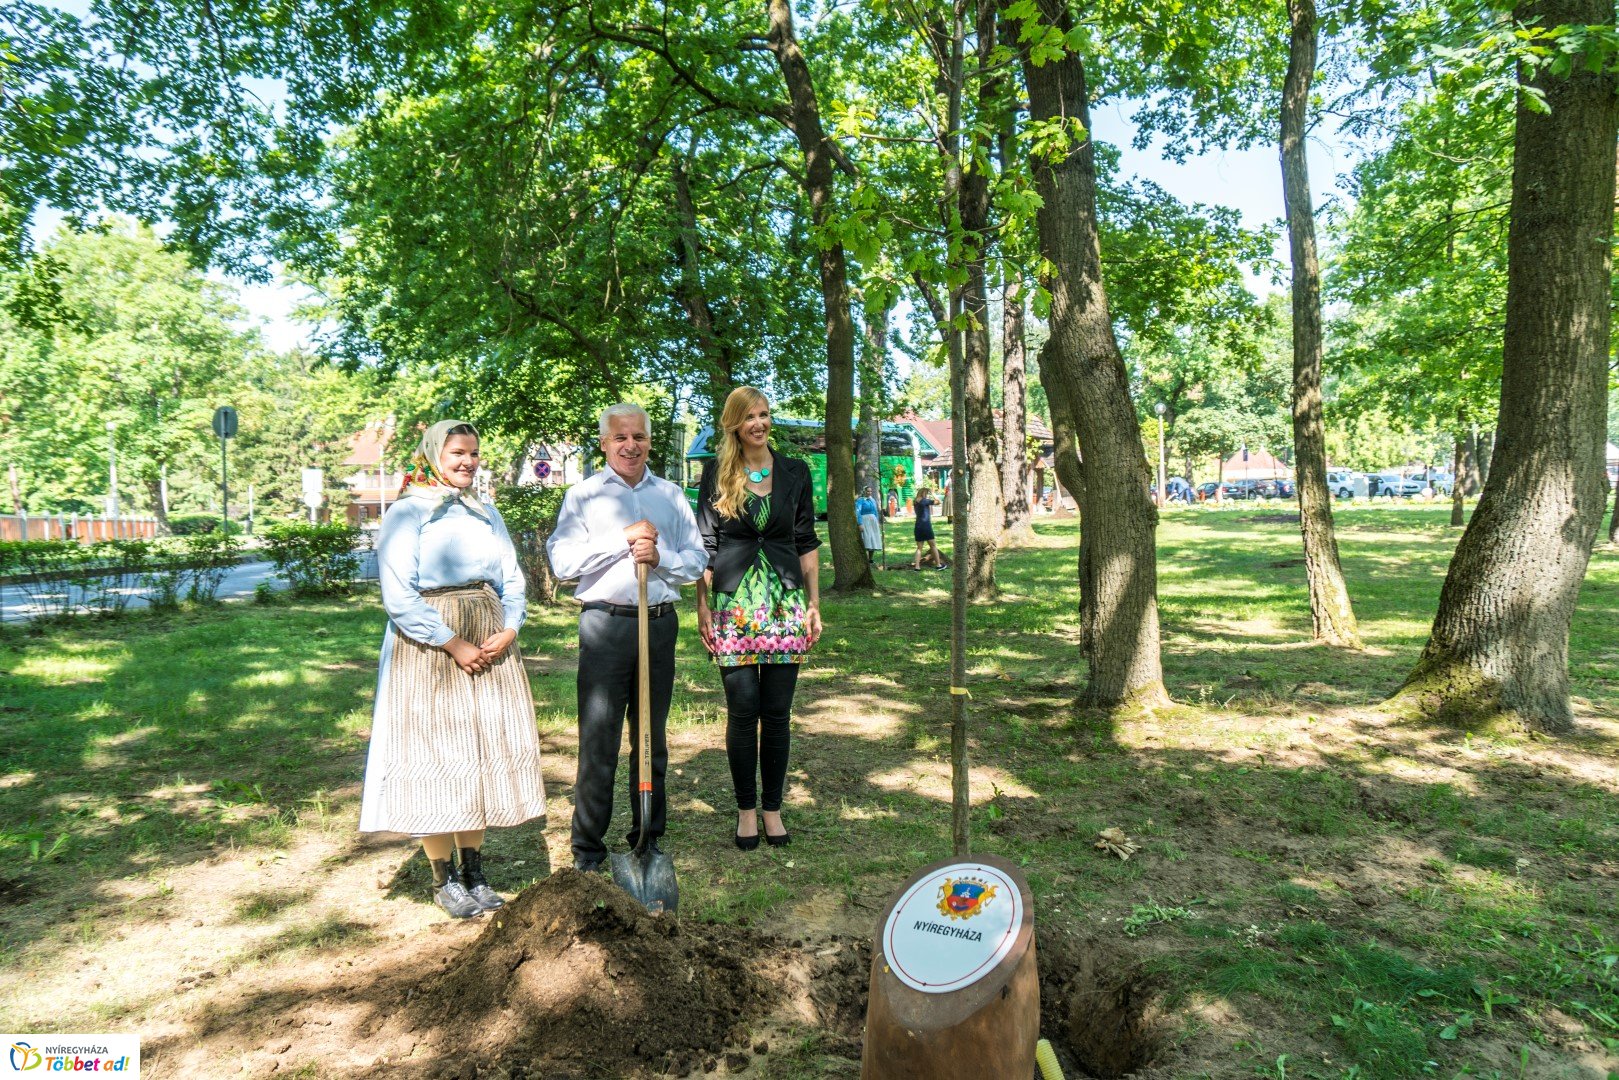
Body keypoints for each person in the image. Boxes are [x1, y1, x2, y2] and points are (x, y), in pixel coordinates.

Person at [359, 420, 546, 920]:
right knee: (437, 753)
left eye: (473, 453)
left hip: (489, 636)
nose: (467, 461)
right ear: (433, 454)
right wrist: (452, 643)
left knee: (480, 749)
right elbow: (398, 595)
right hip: (431, 647)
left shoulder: (485, 512)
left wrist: (510, 627)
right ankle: (442, 878)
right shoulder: (407, 512)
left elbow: (512, 576)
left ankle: (474, 870)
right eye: (456, 452)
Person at [546, 404, 708, 873]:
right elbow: (563, 564)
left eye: (638, 436)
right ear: (603, 442)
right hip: (606, 624)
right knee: (600, 738)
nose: (630, 446)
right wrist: (623, 540)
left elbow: (696, 560)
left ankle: (647, 837)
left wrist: (659, 558)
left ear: (650, 440)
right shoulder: (584, 495)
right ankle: (589, 851)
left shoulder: (672, 495)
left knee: (651, 736)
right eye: (620, 438)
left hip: (657, 623)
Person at [694, 387, 822, 850]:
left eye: (764, 414)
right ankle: (746, 810)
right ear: (733, 424)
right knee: (743, 713)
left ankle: (773, 808)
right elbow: (705, 547)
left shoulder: (795, 471)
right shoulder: (716, 472)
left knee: (779, 714)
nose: (759, 423)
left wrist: (813, 604)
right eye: (749, 417)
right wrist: (702, 605)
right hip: (733, 608)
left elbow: (806, 540)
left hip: (785, 605)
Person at [912, 487, 947, 570]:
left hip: (918, 526)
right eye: (926, 493)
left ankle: (917, 567)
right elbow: (939, 502)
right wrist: (933, 494)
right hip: (926, 526)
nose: (927, 495)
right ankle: (938, 565)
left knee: (919, 548)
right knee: (933, 546)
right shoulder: (925, 501)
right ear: (924, 493)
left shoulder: (915, 501)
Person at [856, 485, 884, 568]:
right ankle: (865, 559)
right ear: (864, 491)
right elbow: (858, 512)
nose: (869, 493)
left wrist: (877, 521)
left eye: (871, 491)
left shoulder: (873, 500)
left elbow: (875, 512)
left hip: (873, 522)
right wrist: (860, 523)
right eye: (868, 491)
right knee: (867, 538)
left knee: (873, 538)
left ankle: (870, 559)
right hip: (865, 521)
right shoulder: (860, 501)